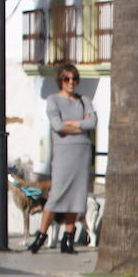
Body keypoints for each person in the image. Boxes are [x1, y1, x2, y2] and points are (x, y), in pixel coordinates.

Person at [29, 63, 96, 255]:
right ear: (61, 81)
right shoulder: (53, 100)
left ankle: (68, 239)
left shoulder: (84, 100)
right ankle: (41, 235)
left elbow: (92, 122)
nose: (71, 82)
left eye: (74, 79)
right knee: (56, 195)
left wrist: (73, 124)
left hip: (82, 153)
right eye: (67, 79)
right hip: (63, 153)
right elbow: (58, 126)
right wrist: (81, 125)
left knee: (77, 196)